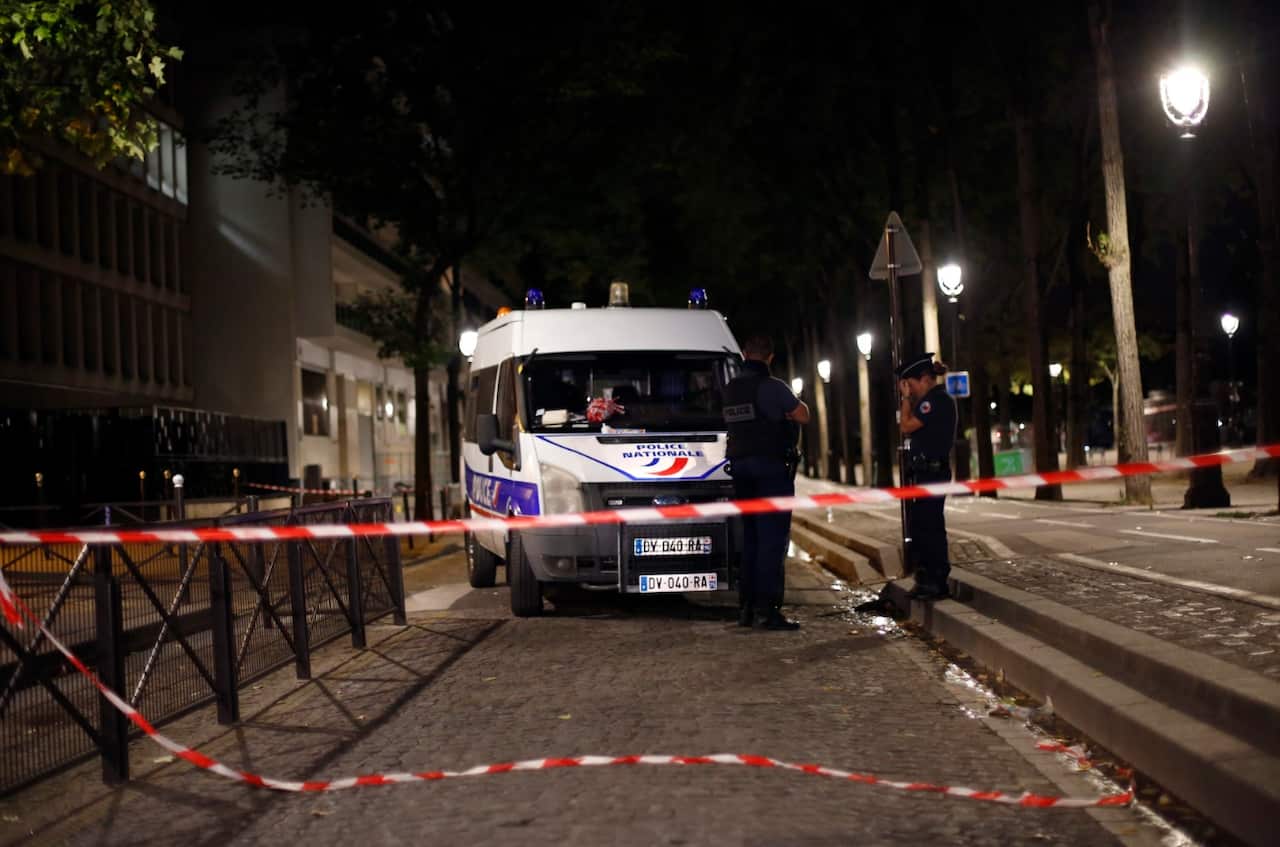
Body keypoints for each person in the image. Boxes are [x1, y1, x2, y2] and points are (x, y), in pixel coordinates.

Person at [723, 334, 811, 630]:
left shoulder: (731, 389)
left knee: (751, 540)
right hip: (770, 471)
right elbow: (803, 415)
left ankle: (746, 609)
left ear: (745, 354)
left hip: (740, 472)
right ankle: (767, 612)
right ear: (770, 357)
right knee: (772, 542)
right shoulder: (773, 387)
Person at [897, 352, 958, 601]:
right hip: (925, 472)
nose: (910, 390)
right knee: (922, 526)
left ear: (923, 379)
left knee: (930, 526)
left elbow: (906, 426)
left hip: (933, 472)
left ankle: (936, 579)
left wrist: (906, 399)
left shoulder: (934, 400)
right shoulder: (934, 400)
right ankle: (926, 578)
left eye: (910, 385)